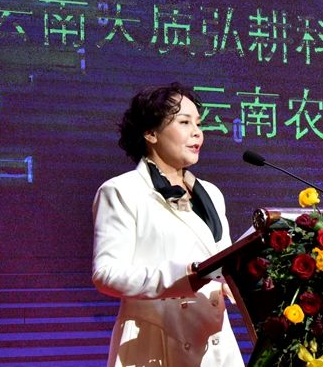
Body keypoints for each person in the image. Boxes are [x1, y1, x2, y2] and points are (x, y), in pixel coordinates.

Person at [92, 82, 244, 367]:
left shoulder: (211, 193)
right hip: (156, 343)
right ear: (150, 133)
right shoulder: (122, 191)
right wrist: (184, 275)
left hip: (215, 343)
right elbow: (106, 273)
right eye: (184, 122)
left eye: (198, 123)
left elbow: (222, 262)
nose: (197, 132)